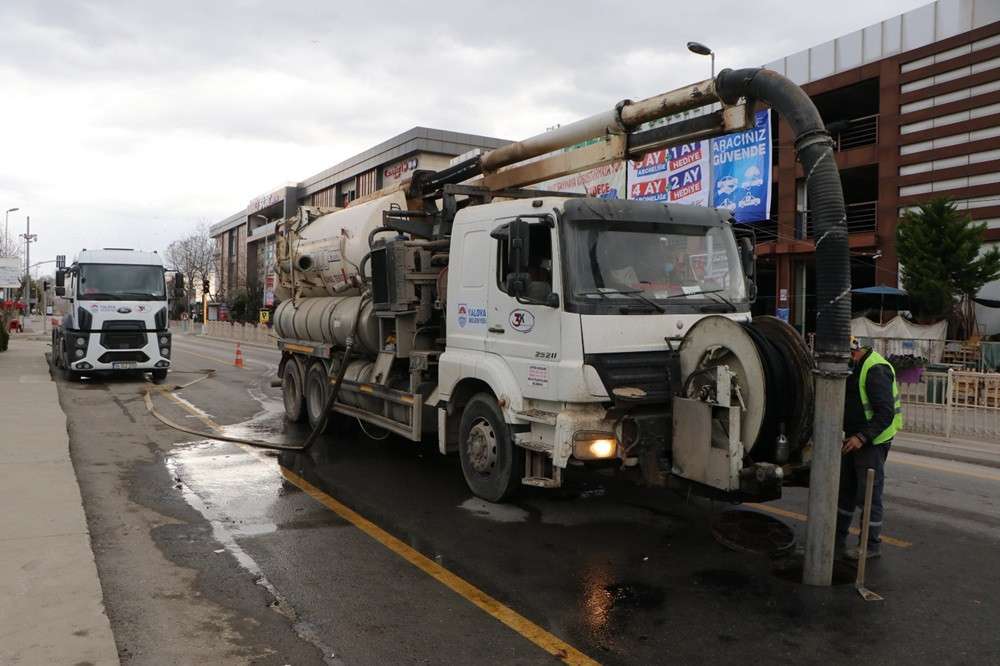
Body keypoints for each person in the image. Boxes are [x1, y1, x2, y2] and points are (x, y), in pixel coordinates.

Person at [836, 336, 903, 560]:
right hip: (853, 439)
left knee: (868, 495)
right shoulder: (855, 366)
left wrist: (862, 437)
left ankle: (871, 546)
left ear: (853, 352)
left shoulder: (875, 369)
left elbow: (885, 412)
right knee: (845, 491)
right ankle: (837, 540)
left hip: (872, 442)